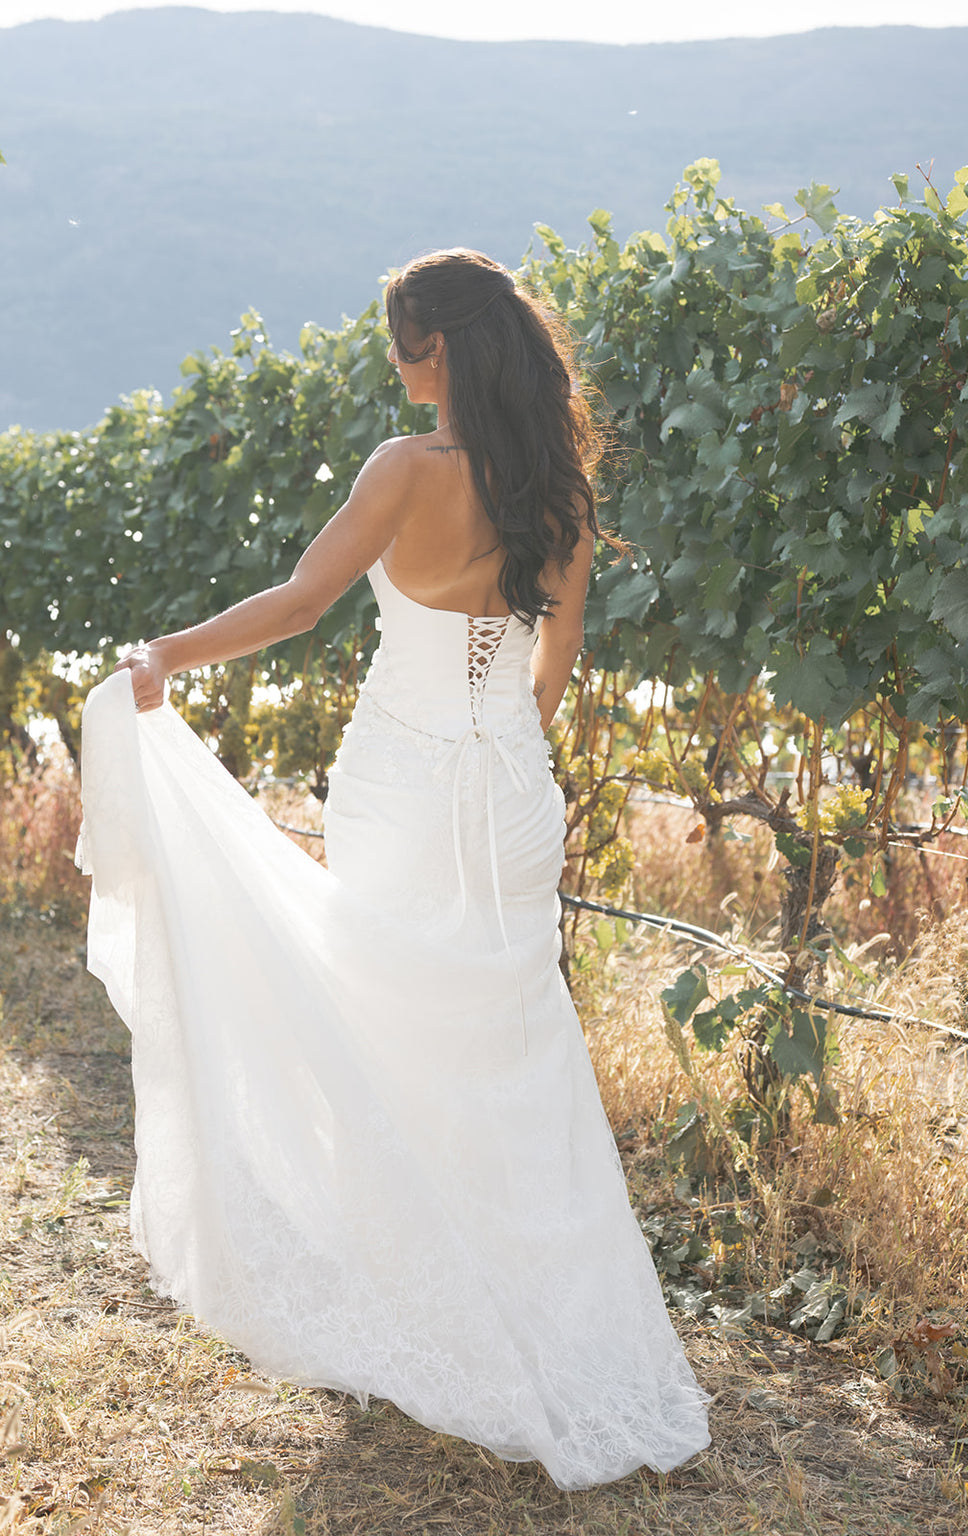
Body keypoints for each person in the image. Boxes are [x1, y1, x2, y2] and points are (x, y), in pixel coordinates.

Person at [77, 249, 710, 1490]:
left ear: (436, 352)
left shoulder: (404, 473)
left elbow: (306, 602)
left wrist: (169, 653)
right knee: (514, 1055)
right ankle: (543, 1314)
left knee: (385, 1034)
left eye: (398, 340)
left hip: (404, 788)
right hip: (509, 793)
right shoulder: (560, 489)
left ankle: (422, 1295)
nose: (390, 362)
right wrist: (511, 763)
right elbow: (555, 653)